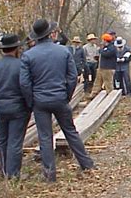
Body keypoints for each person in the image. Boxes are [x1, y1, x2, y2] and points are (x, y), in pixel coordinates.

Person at [20, 19, 94, 182]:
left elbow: (25, 83)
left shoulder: (28, 55)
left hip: (39, 101)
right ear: (50, 33)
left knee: (45, 137)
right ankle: (87, 165)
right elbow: (72, 77)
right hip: (60, 97)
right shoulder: (64, 51)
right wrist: (66, 96)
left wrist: (31, 101)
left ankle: (49, 174)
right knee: (70, 132)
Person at [0, 34, 30, 179]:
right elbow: (26, 87)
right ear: (16, 48)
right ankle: (13, 174)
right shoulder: (21, 65)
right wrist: (29, 106)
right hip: (19, 109)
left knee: (3, 140)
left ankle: (3, 171)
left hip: (1, 109)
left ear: (3, 49)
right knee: (15, 142)